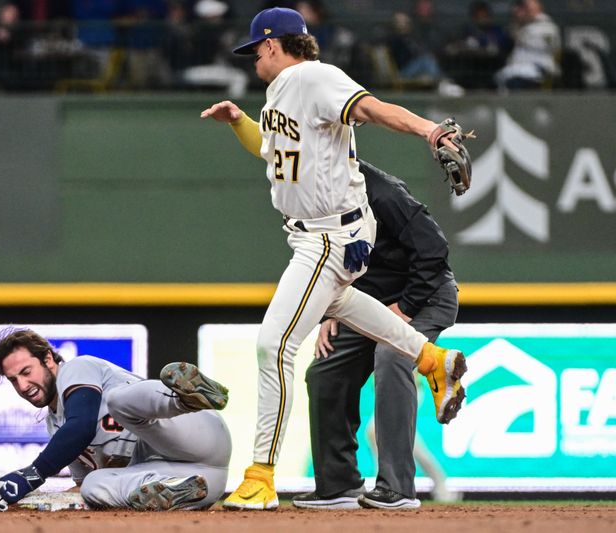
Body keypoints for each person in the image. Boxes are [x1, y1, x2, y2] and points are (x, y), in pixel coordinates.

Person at [200, 7, 468, 510]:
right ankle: (435, 362)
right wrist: (240, 123)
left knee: (272, 347)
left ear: (274, 44)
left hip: (330, 235)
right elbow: (273, 152)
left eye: (255, 49)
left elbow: (371, 108)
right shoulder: (282, 91)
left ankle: (260, 475)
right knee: (345, 309)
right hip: (312, 237)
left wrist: (430, 130)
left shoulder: (315, 77)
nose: (253, 59)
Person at [291, 160, 458, 510]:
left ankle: (398, 489)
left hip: (425, 297)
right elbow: (328, 260)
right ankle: (338, 487)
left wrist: (404, 310)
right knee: (324, 371)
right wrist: (329, 309)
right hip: (368, 303)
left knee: (393, 354)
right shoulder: (316, 198)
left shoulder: (383, 192)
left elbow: (434, 251)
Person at [0, 327, 232, 511]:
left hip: (198, 432)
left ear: (47, 359)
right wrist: (29, 500)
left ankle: (184, 398)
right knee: (92, 485)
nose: (22, 385)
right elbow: (81, 489)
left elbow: (81, 426)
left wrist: (30, 476)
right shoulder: (55, 427)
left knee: (118, 401)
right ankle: (178, 493)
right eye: (14, 380)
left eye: (26, 372)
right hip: (202, 480)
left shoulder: (77, 368)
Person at [495, 0, 560, 90]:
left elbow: (546, 44)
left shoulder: (547, 26)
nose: (522, 11)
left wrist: (518, 32)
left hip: (540, 70)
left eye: (526, 8)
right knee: (500, 77)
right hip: (520, 70)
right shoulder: (522, 25)